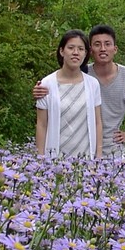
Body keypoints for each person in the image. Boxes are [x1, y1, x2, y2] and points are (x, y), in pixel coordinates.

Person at [34, 25, 125, 157]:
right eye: (97, 44)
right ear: (90, 50)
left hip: (112, 148)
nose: (103, 49)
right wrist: (39, 90)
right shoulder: (83, 73)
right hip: (82, 150)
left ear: (115, 49)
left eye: (107, 44)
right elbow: (60, 85)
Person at [35, 30, 103, 158]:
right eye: (71, 48)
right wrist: (40, 158)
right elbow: (42, 124)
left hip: (86, 159)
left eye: (81, 49)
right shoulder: (46, 84)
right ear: (62, 51)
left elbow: (97, 122)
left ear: (85, 54)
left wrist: (98, 156)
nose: (75, 52)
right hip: (54, 159)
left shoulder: (93, 84)